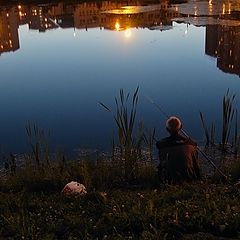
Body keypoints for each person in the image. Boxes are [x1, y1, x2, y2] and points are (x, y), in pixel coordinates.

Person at [156, 116, 201, 184]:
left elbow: (162, 161)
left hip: (169, 181)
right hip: (190, 179)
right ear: (181, 127)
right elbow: (195, 164)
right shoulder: (192, 143)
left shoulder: (161, 144)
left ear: (167, 129)